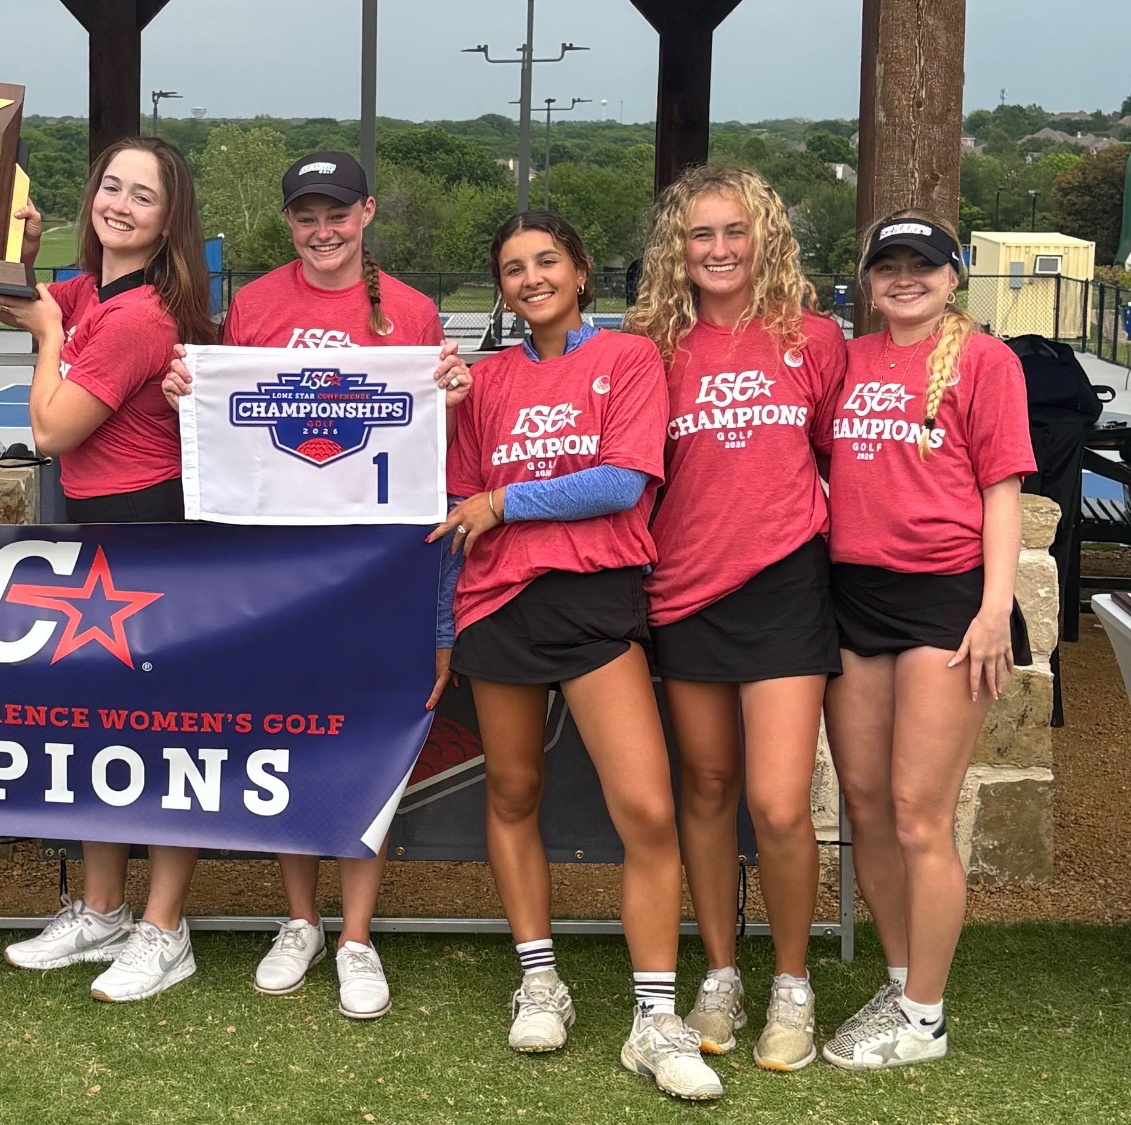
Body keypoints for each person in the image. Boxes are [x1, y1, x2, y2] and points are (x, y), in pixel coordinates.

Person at [431, 212, 722, 1101]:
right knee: (513, 792)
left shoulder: (629, 360)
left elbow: (620, 483)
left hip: (595, 602)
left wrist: (504, 499)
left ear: (582, 270)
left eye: (546, 260)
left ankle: (654, 1014)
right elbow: (454, 510)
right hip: (498, 607)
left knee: (645, 805)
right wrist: (445, 635)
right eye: (512, 268)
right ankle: (540, 977)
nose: (530, 278)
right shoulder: (482, 382)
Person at [156, 151, 452, 1020]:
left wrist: (454, 392)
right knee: (289, 736)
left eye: (336, 213)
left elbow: (431, 429)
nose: (321, 231)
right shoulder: (254, 305)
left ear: (366, 214)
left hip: (375, 564)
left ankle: (357, 934)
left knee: (363, 744)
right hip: (280, 566)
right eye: (304, 216)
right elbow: (230, 418)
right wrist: (190, 390)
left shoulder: (414, 309)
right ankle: (302, 919)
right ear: (290, 222)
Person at [622, 164, 847, 1071]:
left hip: (786, 585)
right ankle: (720, 968)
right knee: (706, 790)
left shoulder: (814, 339)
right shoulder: (649, 347)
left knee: (778, 800)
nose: (716, 249)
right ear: (677, 247)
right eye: (698, 234)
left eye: (733, 231)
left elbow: (850, 452)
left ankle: (792, 982)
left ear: (764, 238)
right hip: (683, 590)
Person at [0, 136, 219, 1004]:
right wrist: (4, 229)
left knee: (159, 737)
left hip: (146, 530)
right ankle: (102, 908)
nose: (120, 203)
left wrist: (49, 335)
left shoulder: (141, 315)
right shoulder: (92, 289)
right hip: (90, 532)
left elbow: (50, 431)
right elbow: (9, 291)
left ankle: (166, 928)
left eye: (143, 196)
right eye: (110, 187)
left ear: (169, 222)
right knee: (96, 726)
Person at [819, 211, 1034, 1069]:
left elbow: (1003, 492)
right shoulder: (851, 359)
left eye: (922, 266)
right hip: (853, 596)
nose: (904, 279)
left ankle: (926, 1019)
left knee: (918, 815)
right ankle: (904, 982)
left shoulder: (988, 360)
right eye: (888, 267)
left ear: (954, 277)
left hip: (946, 600)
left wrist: (993, 609)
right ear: (867, 281)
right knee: (864, 806)